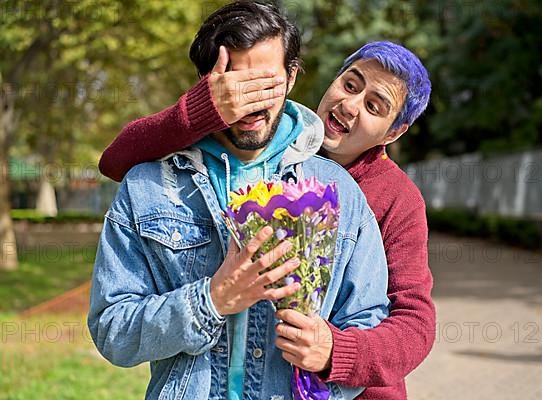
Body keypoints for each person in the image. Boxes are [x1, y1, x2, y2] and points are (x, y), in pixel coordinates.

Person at [99, 36, 436, 398]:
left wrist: (336, 352)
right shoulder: (269, 141)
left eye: (374, 106)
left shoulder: (397, 199)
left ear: (394, 132)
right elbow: (116, 161)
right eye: (349, 84)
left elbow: (415, 323)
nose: (350, 105)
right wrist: (205, 109)